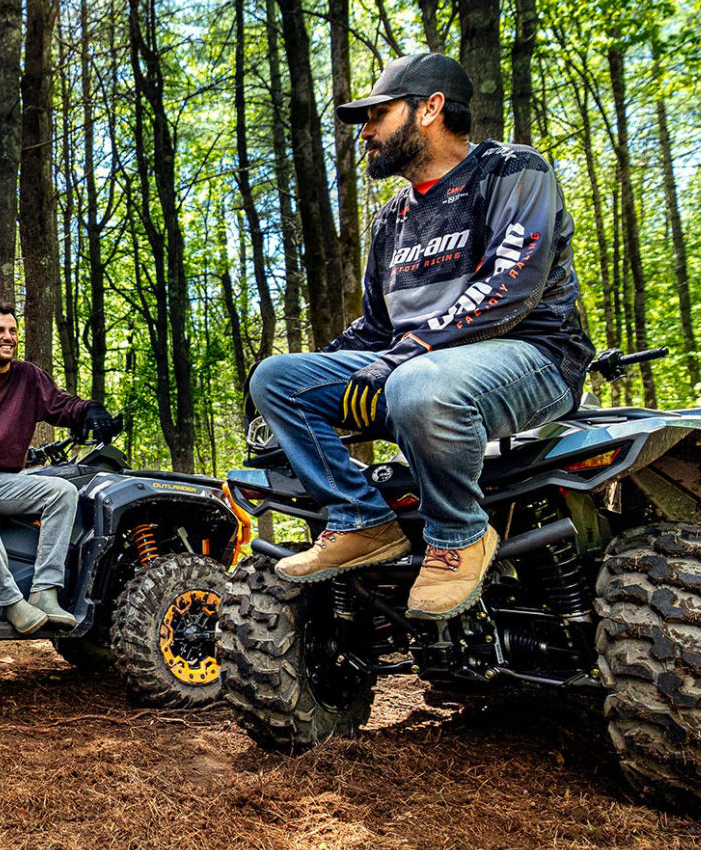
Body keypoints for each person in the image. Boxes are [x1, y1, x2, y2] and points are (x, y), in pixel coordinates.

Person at [248, 53, 594, 619]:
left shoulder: (512, 171)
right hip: (417, 375)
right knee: (278, 379)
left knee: (418, 382)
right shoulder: (392, 219)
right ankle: (361, 521)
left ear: (430, 108)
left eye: (377, 115)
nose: (366, 133)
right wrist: (318, 374)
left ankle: (458, 537)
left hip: (534, 361)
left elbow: (512, 282)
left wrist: (409, 354)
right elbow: (377, 328)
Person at [0, 301, 121, 634]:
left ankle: (44, 593)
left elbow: (61, 405)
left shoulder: (28, 377)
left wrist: (92, 411)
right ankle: (11, 600)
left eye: (13, 331)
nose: (8, 337)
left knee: (63, 492)